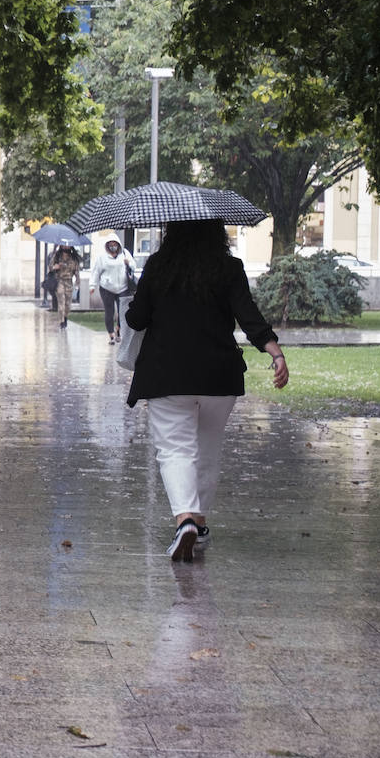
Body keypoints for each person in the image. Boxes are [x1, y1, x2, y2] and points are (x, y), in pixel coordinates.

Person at [124, 218, 288, 563]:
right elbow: (248, 315)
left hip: (166, 373)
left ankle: (185, 519)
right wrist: (274, 351)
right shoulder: (228, 267)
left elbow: (137, 319)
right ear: (216, 232)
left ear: (173, 232)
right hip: (218, 375)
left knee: (175, 450)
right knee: (207, 450)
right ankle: (198, 525)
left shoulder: (159, 266)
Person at [89, 238, 136, 343]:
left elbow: (133, 265)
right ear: (107, 245)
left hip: (123, 287)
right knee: (109, 312)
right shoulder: (102, 257)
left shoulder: (124, 253)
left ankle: (118, 330)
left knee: (122, 311)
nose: (113, 246)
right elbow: (96, 271)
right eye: (111, 244)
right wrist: (92, 286)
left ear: (118, 245)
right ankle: (111, 334)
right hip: (107, 288)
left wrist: (128, 263)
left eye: (115, 244)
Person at [49, 244, 82, 328]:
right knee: (61, 302)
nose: (66, 247)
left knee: (68, 304)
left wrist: (78, 281)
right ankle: (61, 322)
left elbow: (76, 271)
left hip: (69, 282)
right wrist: (55, 267)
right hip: (59, 281)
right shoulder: (57, 256)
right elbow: (50, 267)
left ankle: (65, 317)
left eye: (67, 245)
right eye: (64, 245)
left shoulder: (73, 258)